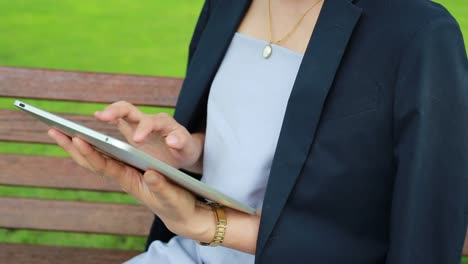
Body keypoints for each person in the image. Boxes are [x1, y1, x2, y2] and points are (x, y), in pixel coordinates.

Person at [48, 0, 468, 263]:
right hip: (194, 254)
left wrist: (205, 224)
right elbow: (264, 141)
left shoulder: (417, 31)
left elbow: (422, 226)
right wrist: (188, 152)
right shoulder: (227, 5)